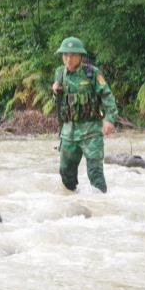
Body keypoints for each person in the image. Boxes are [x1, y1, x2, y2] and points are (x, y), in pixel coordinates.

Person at [52, 37, 118, 193]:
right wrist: (55, 92)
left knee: (95, 172)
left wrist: (110, 119)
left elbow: (107, 95)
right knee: (65, 171)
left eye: (73, 55)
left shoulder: (92, 73)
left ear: (80, 56)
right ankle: (74, 200)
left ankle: (101, 204)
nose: (68, 59)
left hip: (91, 131)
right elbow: (59, 101)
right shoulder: (60, 73)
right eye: (65, 55)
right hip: (69, 132)